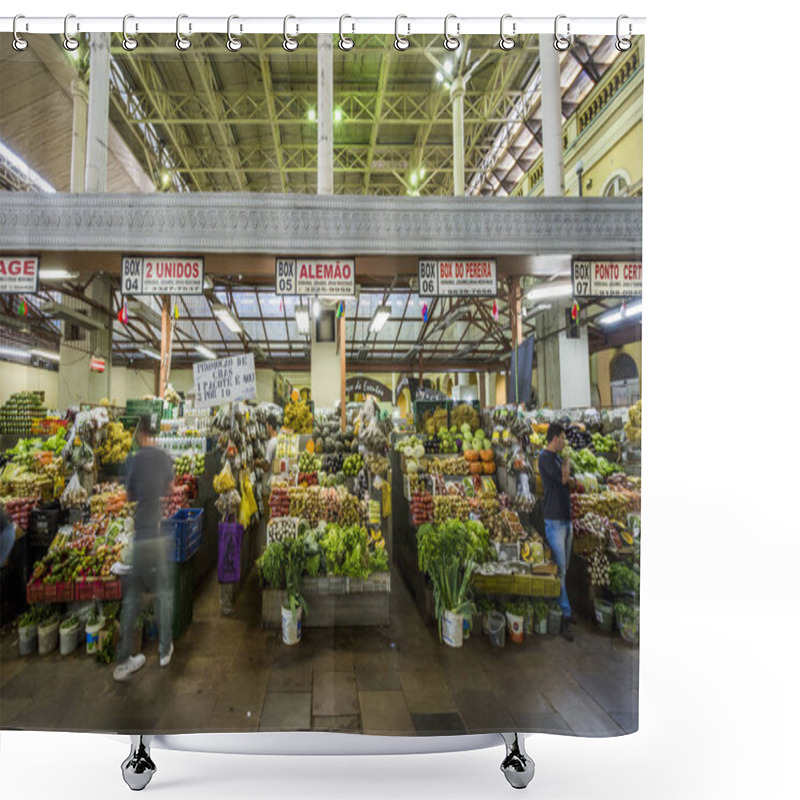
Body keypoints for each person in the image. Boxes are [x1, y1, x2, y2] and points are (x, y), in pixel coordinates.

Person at [114, 414, 175, 682]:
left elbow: (129, 495)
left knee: (132, 598)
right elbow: (171, 490)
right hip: (158, 533)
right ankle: (164, 651)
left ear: (141, 435)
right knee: (163, 592)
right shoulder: (163, 456)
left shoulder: (136, 459)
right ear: (156, 432)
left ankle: (124, 659)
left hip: (140, 536)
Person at [538, 423, 575, 641]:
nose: (564, 442)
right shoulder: (545, 458)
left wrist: (568, 476)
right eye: (562, 438)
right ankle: (564, 616)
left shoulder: (557, 459)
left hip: (566, 519)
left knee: (564, 568)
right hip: (554, 520)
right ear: (554, 439)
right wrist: (567, 462)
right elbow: (564, 479)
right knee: (560, 569)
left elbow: (570, 481)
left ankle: (562, 609)